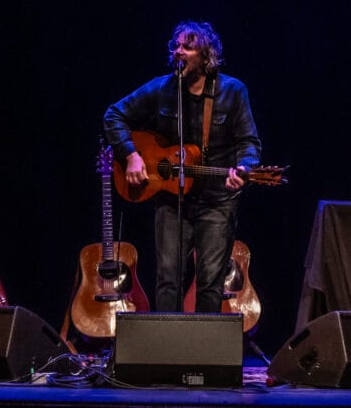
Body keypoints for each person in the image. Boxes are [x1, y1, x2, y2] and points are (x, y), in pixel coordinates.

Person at [103, 21, 261, 313]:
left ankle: (205, 355)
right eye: (176, 46)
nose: (179, 52)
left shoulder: (232, 91)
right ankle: (166, 352)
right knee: (167, 280)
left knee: (210, 282)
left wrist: (244, 168)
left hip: (217, 201)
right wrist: (131, 156)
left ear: (206, 55)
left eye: (187, 47)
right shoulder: (163, 88)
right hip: (171, 200)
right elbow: (113, 115)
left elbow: (249, 143)